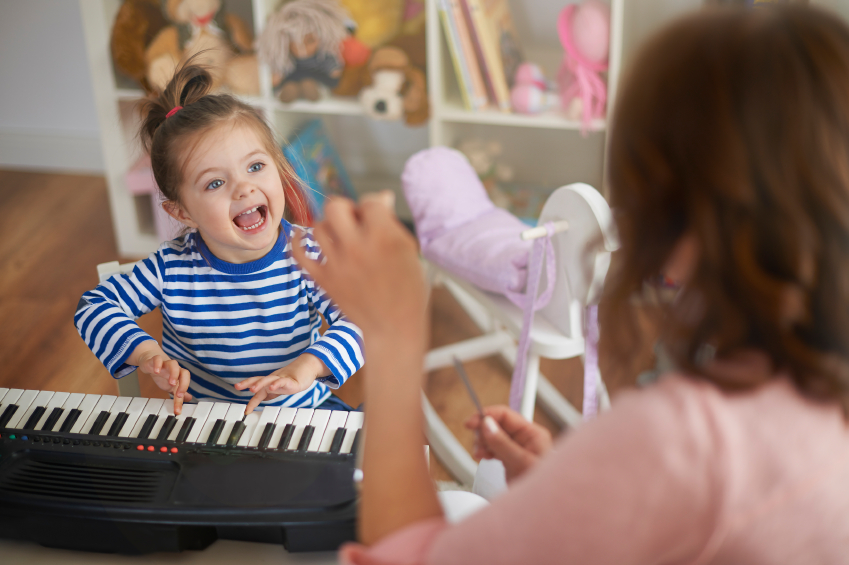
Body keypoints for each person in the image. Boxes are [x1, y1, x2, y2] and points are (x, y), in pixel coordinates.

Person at [290, 5, 849, 563]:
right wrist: (570, 483)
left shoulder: (683, 442)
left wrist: (394, 335)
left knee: (457, 508)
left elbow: (409, 555)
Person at [75, 61, 363, 415]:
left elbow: (361, 317)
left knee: (373, 455)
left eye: (255, 166)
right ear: (182, 213)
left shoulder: (309, 253)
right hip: (205, 425)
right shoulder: (170, 268)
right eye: (215, 183)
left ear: (279, 168)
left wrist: (308, 366)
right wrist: (146, 353)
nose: (244, 188)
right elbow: (93, 307)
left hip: (304, 415)